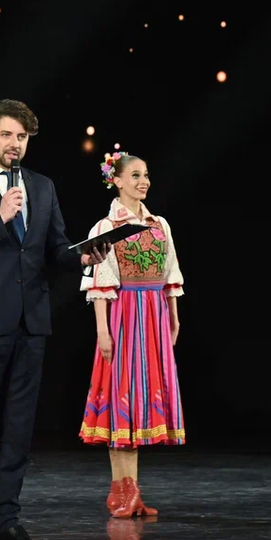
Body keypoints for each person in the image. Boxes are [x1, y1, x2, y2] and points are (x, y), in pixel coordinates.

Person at [0, 99, 108, 540]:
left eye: (22, 137)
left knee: (18, 430)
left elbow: (55, 248)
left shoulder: (42, 186)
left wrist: (84, 256)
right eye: (7, 135)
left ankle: (7, 522)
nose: (15, 144)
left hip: (31, 322)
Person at [80, 151, 186, 518]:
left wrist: (173, 316)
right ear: (117, 180)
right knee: (121, 397)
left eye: (146, 175)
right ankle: (122, 491)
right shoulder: (106, 226)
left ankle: (130, 492)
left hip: (154, 315)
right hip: (125, 316)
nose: (144, 181)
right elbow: (99, 283)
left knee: (142, 400)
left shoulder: (159, 224)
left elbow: (171, 272)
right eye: (136, 175)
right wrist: (102, 330)